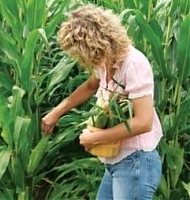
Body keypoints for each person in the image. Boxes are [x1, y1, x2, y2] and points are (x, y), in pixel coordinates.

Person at [41, 4, 163, 200]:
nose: (84, 60)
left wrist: (97, 138)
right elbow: (90, 86)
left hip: (136, 162)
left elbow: (143, 122)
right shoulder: (105, 61)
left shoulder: (134, 64)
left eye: (84, 53)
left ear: (98, 44)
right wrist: (57, 112)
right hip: (116, 162)